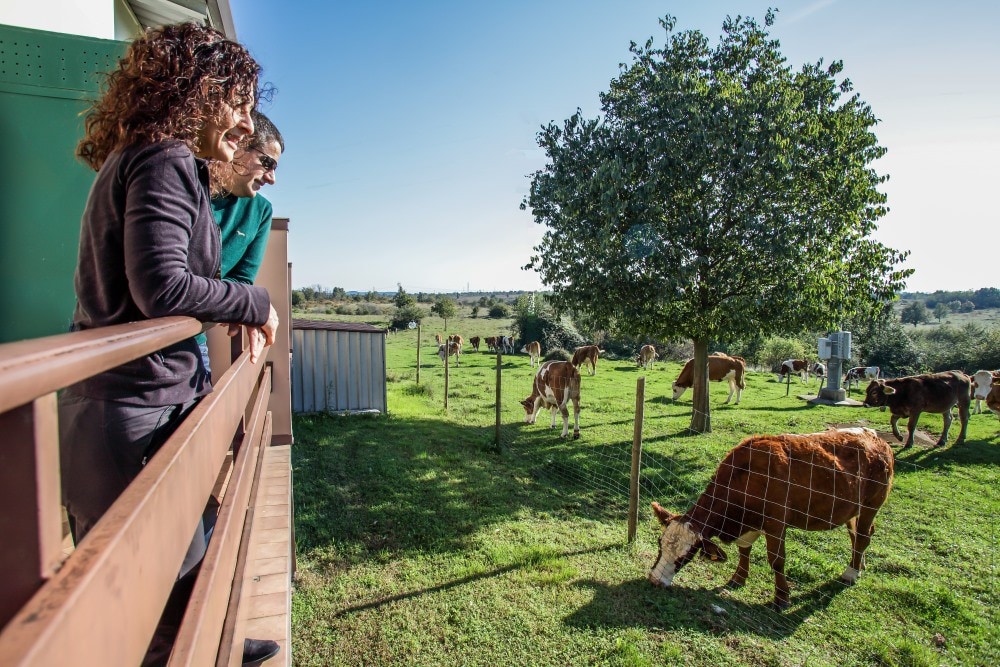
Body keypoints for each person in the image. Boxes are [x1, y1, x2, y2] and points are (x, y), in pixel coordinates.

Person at [59, 22, 279, 667]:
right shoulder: (165, 159)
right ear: (202, 92)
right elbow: (164, 286)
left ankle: (224, 642)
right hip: (135, 406)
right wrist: (256, 302)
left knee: (186, 562)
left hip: (131, 401)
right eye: (238, 102)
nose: (244, 121)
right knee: (158, 598)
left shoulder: (140, 158)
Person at [197, 111, 284, 375]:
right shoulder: (187, 188)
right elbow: (168, 283)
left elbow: (242, 279)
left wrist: (242, 303)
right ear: (237, 143)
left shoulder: (259, 211)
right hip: (123, 343)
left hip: (191, 341)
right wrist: (247, 304)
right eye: (267, 163)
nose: (272, 178)